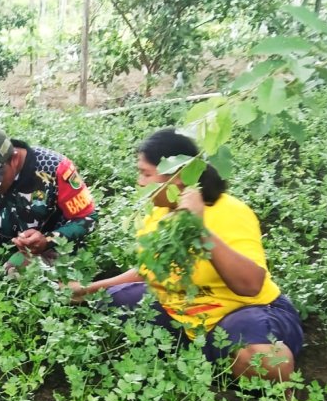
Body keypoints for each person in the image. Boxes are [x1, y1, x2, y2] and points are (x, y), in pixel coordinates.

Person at [69, 129, 303, 381]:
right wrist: (87, 290)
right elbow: (147, 274)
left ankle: (221, 361)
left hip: (238, 312)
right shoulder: (158, 213)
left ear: (177, 177)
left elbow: (251, 285)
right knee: (106, 303)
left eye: (146, 174)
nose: (140, 183)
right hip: (181, 314)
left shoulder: (229, 211)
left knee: (267, 361)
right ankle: (207, 360)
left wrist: (199, 230)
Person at [0, 125, 98, 285]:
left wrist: (48, 240)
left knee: (16, 270)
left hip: (49, 249)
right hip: (1, 241)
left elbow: (88, 217)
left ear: (14, 160)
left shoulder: (55, 168)